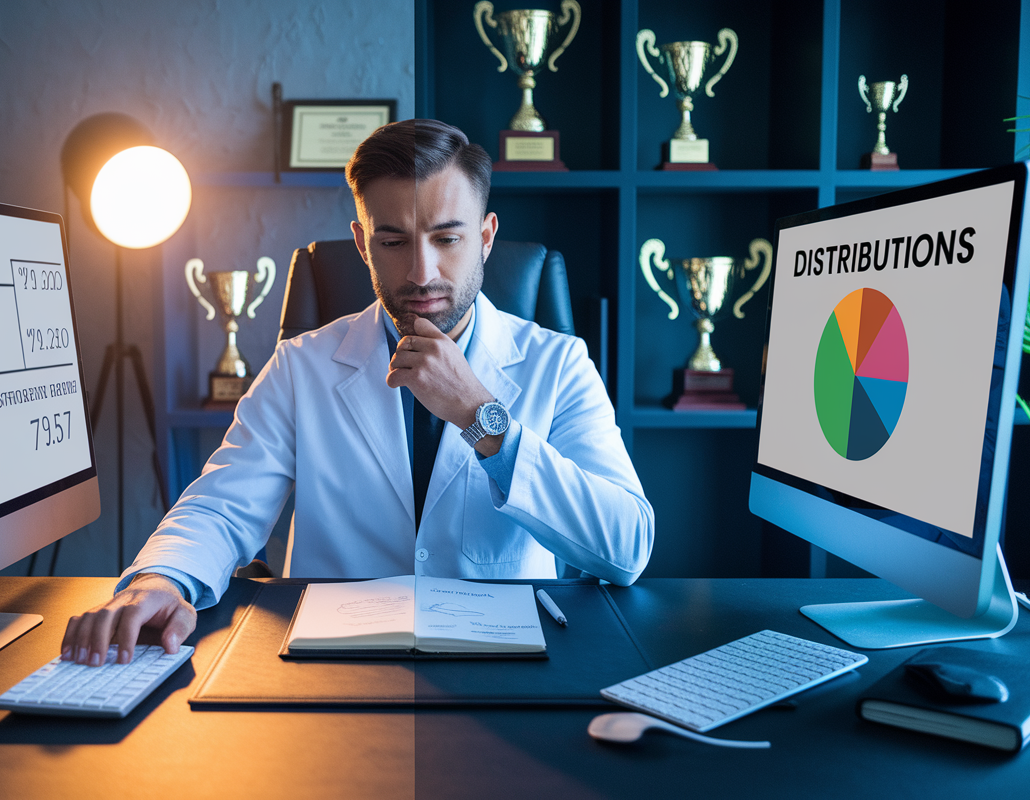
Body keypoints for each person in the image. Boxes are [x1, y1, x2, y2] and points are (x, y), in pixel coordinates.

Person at [61, 119, 654, 666]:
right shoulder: (302, 366)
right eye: (393, 242)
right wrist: (157, 581)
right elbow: (221, 507)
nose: (421, 273)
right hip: (334, 666)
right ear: (362, 241)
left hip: (501, 667)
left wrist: (482, 419)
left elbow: (626, 547)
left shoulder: (558, 362)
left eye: (447, 239)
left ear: (487, 236)